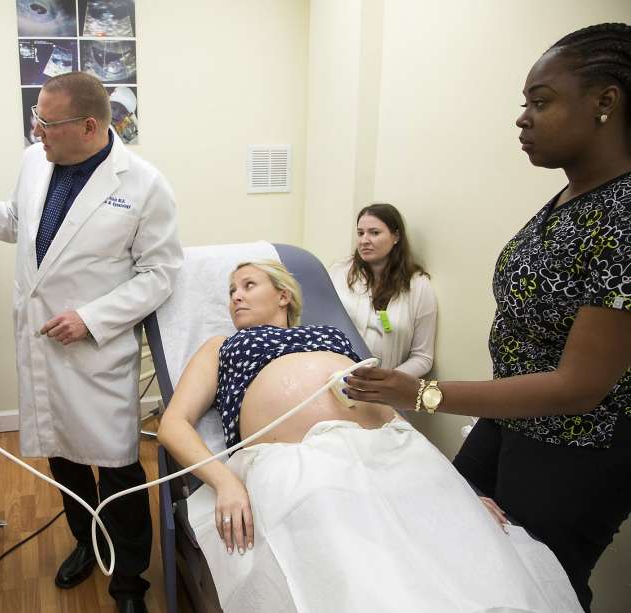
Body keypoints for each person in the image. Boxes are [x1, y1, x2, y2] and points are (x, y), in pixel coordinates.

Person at [345, 23, 631, 613]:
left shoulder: (623, 213)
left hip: (578, 446)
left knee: (537, 585)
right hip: (513, 421)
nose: (522, 119)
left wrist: (422, 394)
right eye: (524, 103)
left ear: (606, 101)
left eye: (541, 101)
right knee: (460, 535)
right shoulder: (570, 198)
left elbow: (580, 388)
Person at [157, 261, 581, 613]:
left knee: (474, 553)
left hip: (392, 450)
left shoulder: (333, 336)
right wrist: (226, 482)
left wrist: (460, 489)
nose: (235, 296)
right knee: (361, 573)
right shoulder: (222, 345)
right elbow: (173, 423)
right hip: (299, 459)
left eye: (248, 285)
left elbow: (389, 405)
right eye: (231, 290)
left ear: (284, 295)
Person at [0, 72, 183, 613]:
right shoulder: (34, 161)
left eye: (46, 121)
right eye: (35, 118)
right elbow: (16, 222)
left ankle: (129, 580)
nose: (36, 130)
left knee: (117, 468)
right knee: (64, 460)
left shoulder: (142, 184)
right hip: (43, 343)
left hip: (96, 351)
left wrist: (92, 318)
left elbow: (161, 274)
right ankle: (87, 542)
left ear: (89, 126)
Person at [329, 203, 437, 377]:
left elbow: (423, 357)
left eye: (374, 233)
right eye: (360, 233)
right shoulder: (339, 273)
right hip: (336, 378)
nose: (364, 240)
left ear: (396, 237)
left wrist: (386, 382)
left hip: (387, 392)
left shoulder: (418, 286)